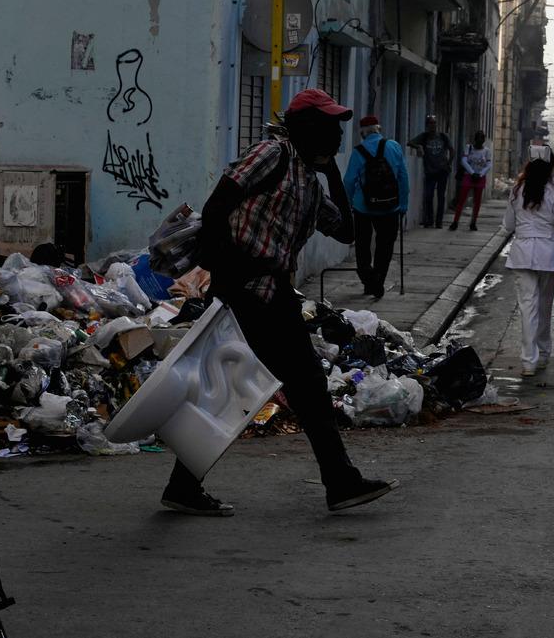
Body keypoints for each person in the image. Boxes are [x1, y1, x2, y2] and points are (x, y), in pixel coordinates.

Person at [170, 88, 399, 516]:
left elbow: (347, 231)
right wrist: (227, 271)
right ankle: (339, 480)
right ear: (307, 126)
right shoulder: (272, 154)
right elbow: (217, 206)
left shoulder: (310, 184)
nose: (335, 135)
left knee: (236, 385)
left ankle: (184, 485)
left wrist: (333, 173)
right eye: (328, 126)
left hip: (273, 294)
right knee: (303, 383)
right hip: (246, 291)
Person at [502, 148, 554, 377]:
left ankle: (529, 361)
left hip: (522, 252)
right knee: (544, 306)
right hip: (549, 254)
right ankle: (544, 354)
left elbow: (507, 226)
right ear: (550, 165)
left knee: (528, 308)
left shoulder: (517, 190)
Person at [343, 115, 409, 298]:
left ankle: (368, 280)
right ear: (378, 129)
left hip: (363, 208)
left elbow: (349, 180)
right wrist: (403, 205)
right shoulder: (394, 146)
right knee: (385, 245)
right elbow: (403, 177)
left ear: (362, 132)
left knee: (362, 246)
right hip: (390, 207)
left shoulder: (359, 151)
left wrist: (348, 202)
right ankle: (378, 281)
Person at [408, 115, 454, 228]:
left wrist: (449, 163)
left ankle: (439, 221)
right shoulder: (424, 137)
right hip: (430, 171)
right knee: (428, 196)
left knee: (440, 196)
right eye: (430, 123)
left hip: (442, 171)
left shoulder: (443, 136)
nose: (433, 125)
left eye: (434, 123)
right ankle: (429, 219)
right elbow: (410, 142)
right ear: (427, 125)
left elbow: (452, 150)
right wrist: (419, 147)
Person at [450, 130, 492, 231]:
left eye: (482, 138)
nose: (480, 140)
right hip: (468, 176)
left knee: (477, 202)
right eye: (478, 138)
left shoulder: (487, 151)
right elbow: (464, 161)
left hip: (480, 178)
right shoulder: (469, 148)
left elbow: (489, 164)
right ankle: (455, 222)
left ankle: (473, 223)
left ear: (484, 140)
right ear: (475, 139)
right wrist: (472, 173)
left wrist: (481, 174)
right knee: (462, 200)